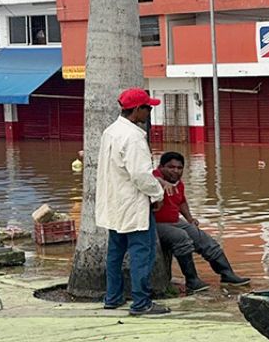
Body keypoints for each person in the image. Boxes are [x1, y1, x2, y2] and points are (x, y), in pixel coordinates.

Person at [97, 88, 171, 316]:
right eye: (147, 108)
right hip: (133, 204)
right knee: (142, 253)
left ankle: (113, 297)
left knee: (115, 253)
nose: (150, 112)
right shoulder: (134, 137)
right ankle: (141, 303)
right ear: (137, 110)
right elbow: (140, 175)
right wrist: (158, 194)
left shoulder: (110, 131)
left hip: (114, 203)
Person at [154, 152, 250, 291]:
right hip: (156, 224)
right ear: (161, 167)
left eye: (179, 168)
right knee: (181, 239)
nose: (175, 171)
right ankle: (192, 280)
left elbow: (181, 202)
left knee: (206, 241)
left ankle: (227, 274)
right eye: (171, 167)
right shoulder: (154, 177)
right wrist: (163, 182)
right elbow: (151, 179)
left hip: (175, 220)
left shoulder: (178, 184)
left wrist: (190, 219)